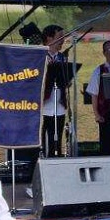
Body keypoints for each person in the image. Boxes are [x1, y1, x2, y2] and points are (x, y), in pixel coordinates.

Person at [40, 24, 68, 158]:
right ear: (49, 38)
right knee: (45, 136)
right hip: (44, 105)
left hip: (59, 104)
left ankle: (57, 156)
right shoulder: (40, 56)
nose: (62, 40)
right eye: (59, 37)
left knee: (58, 136)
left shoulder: (62, 58)